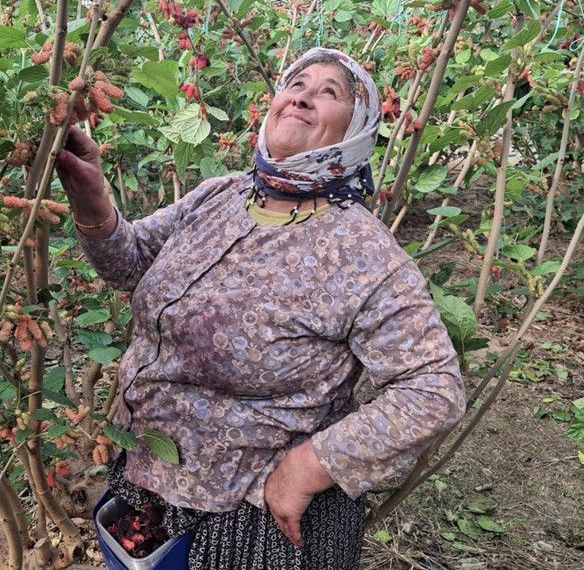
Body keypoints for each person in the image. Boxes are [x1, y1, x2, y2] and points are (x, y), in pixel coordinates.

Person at [55, 47, 466, 569]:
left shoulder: (362, 252)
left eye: (329, 92)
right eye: (296, 83)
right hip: (146, 478)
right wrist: (92, 197)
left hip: (252, 517)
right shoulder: (219, 197)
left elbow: (432, 390)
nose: (303, 97)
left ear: (358, 129)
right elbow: (131, 266)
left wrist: (309, 467)